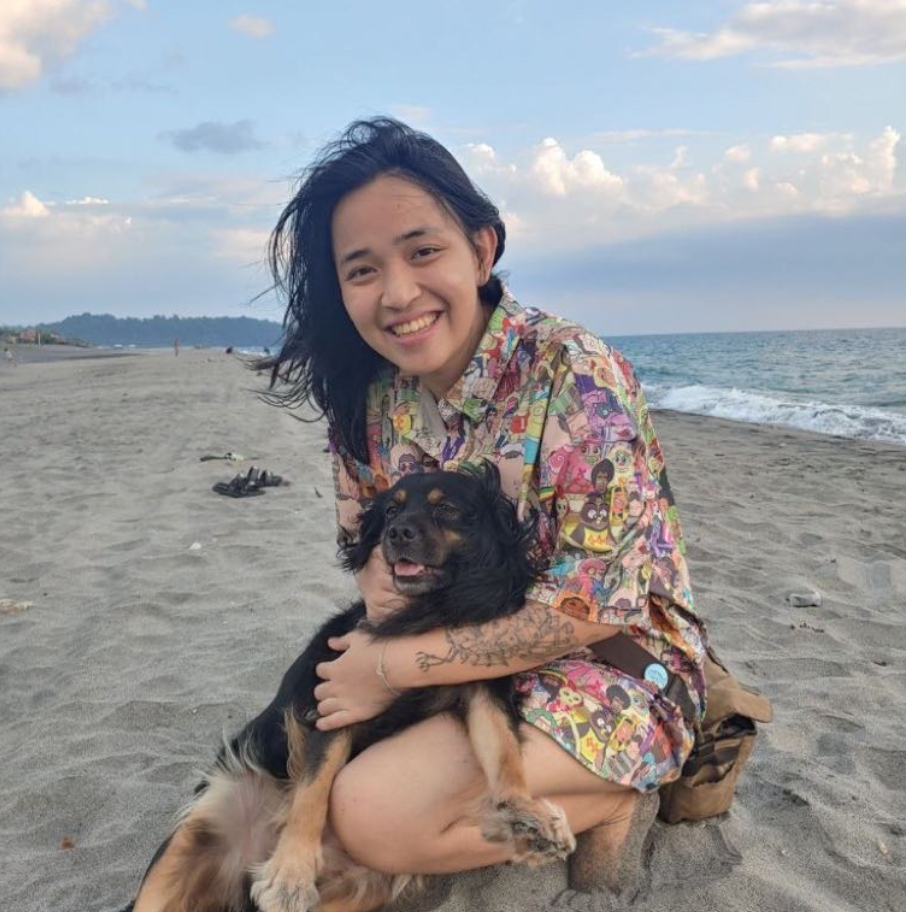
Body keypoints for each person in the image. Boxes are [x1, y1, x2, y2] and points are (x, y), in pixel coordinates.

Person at [263, 118, 707, 895]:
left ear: (483, 248)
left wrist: (392, 668)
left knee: (370, 816)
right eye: (363, 269)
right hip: (460, 661)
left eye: (423, 251)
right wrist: (383, 652)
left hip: (612, 658)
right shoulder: (364, 397)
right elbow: (370, 557)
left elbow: (591, 609)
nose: (398, 294)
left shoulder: (573, 371)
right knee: (316, 791)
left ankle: (617, 792)